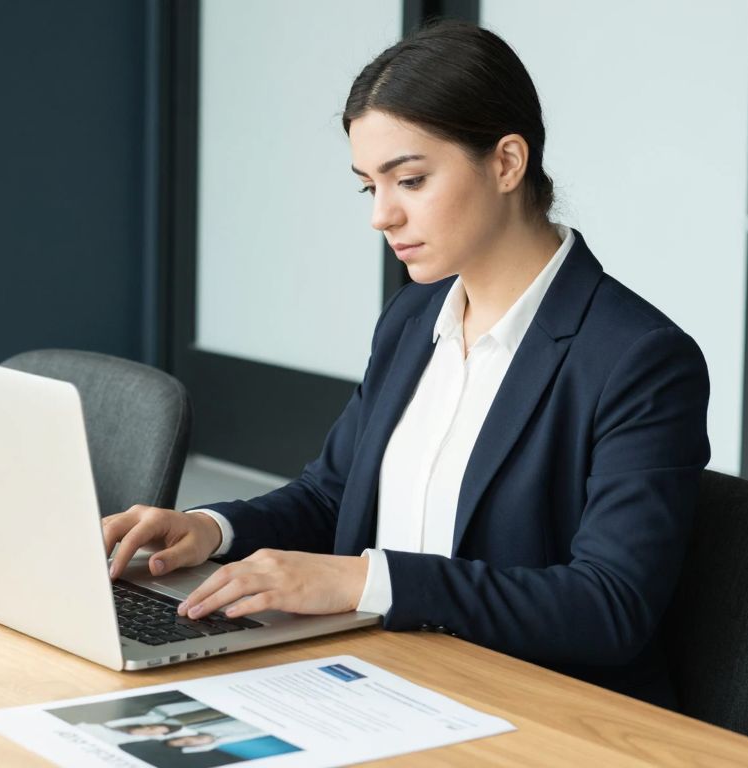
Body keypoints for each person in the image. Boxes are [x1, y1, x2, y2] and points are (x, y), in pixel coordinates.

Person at [102, 20, 710, 708]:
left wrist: (366, 582)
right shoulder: (411, 319)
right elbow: (333, 495)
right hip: (377, 684)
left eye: (411, 180)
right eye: (369, 187)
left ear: (507, 163)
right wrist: (212, 531)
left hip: (532, 710)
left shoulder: (640, 359)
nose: (382, 216)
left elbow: (610, 605)